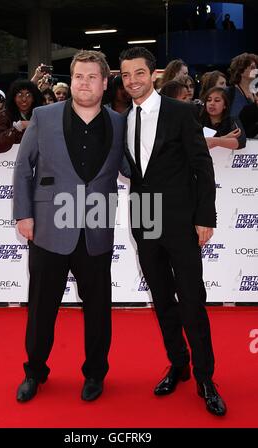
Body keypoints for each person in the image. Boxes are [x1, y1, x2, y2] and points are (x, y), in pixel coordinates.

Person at [13, 50, 126, 403]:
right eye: (79, 76)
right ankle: (35, 370)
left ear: (105, 83)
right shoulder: (43, 117)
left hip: (96, 227)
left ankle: (95, 373)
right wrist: (24, 214)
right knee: (42, 305)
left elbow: (133, 168)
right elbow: (23, 168)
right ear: (71, 80)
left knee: (98, 308)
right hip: (48, 226)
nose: (85, 83)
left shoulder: (121, 122)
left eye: (93, 77)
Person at [119, 46, 226, 416]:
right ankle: (178, 364)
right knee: (162, 299)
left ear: (153, 75)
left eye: (139, 73)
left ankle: (205, 378)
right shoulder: (122, 118)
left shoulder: (181, 112)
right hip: (144, 217)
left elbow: (202, 167)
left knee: (191, 301)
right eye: (126, 75)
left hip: (181, 220)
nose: (132, 80)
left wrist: (205, 217)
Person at [0, 79, 43, 153]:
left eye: (28, 95)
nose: (24, 99)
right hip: (9, 161)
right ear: (13, 98)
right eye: (20, 95)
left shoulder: (41, 115)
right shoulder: (4, 116)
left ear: (33, 98)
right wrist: (17, 128)